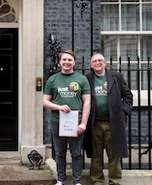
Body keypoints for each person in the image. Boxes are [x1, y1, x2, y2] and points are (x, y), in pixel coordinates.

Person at [43, 50, 91, 185]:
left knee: (76, 153)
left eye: (69, 60)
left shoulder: (82, 79)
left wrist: (83, 123)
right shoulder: (53, 79)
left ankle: (77, 181)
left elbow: (87, 102)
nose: (66, 62)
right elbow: (45, 101)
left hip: (76, 122)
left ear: (74, 62)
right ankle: (60, 180)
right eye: (64, 60)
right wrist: (59, 107)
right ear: (60, 62)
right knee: (59, 153)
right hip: (57, 121)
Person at [84, 53, 133, 185]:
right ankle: (97, 180)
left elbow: (128, 95)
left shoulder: (116, 77)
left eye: (100, 60)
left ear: (105, 63)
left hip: (113, 123)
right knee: (95, 154)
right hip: (95, 124)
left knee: (114, 154)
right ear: (91, 64)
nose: (97, 63)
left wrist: (123, 111)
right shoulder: (87, 79)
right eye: (94, 61)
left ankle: (114, 181)